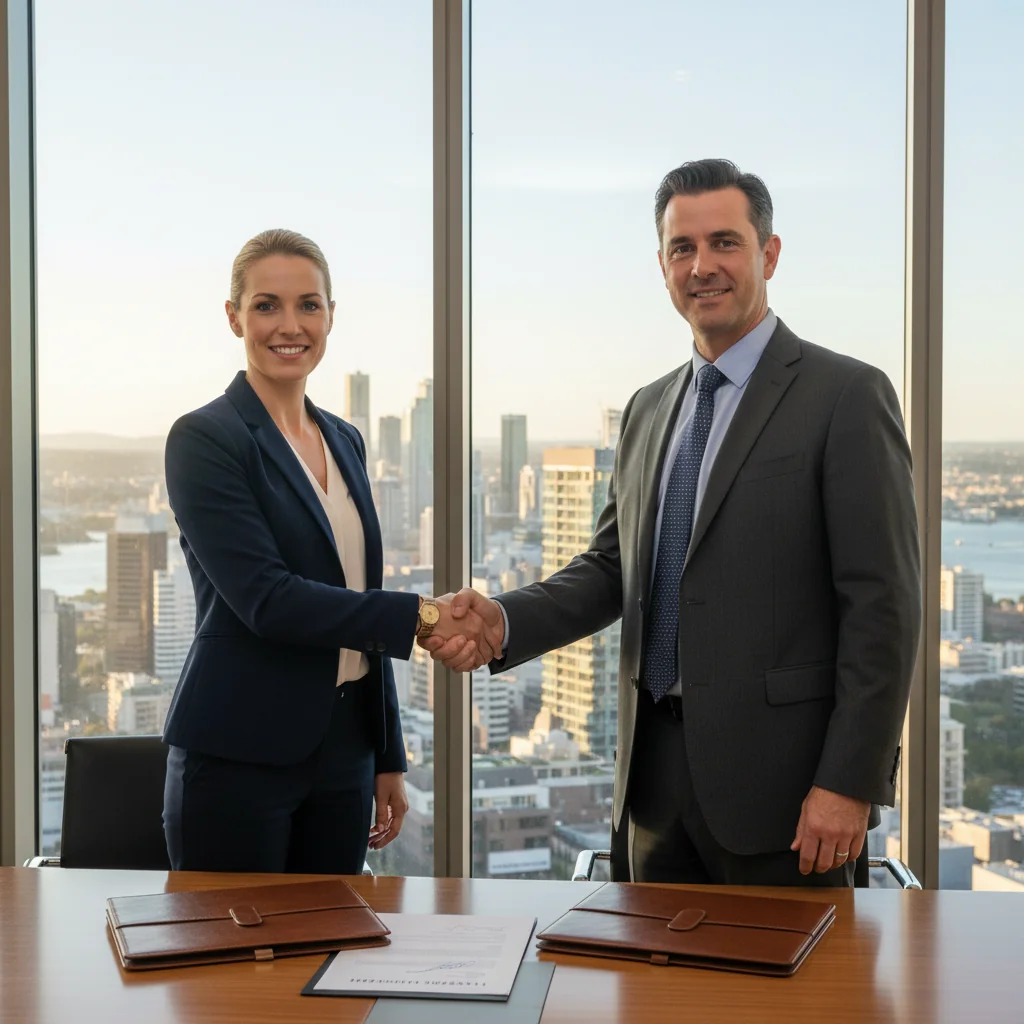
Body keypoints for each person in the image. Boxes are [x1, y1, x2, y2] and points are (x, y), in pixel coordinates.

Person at [423, 159, 922, 887]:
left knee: (790, 1002)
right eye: (682, 249)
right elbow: (613, 569)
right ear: (662, 266)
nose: (703, 266)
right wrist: (503, 620)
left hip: (788, 797)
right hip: (650, 788)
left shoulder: (845, 395)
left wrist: (850, 783)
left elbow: (884, 607)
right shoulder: (649, 408)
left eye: (725, 242)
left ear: (769, 254)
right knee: (655, 996)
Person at [162, 228, 494, 873]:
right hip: (238, 754)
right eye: (267, 305)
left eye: (308, 305)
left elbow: (356, 598)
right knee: (233, 966)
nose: (290, 325)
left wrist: (386, 753)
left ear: (331, 316)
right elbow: (267, 600)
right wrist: (424, 617)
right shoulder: (205, 438)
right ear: (234, 317)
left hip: (345, 753)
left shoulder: (344, 439)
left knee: (334, 950)